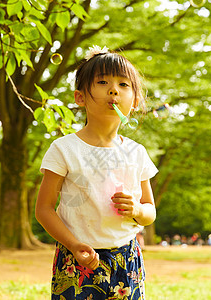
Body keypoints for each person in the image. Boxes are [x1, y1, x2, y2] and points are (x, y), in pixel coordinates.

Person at [35, 46, 158, 300]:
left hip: (127, 261)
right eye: (102, 82)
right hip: (78, 258)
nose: (113, 90)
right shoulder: (65, 148)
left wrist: (136, 210)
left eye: (123, 84)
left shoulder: (136, 152)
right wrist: (73, 244)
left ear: (134, 102)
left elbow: (150, 211)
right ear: (80, 98)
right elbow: (44, 209)